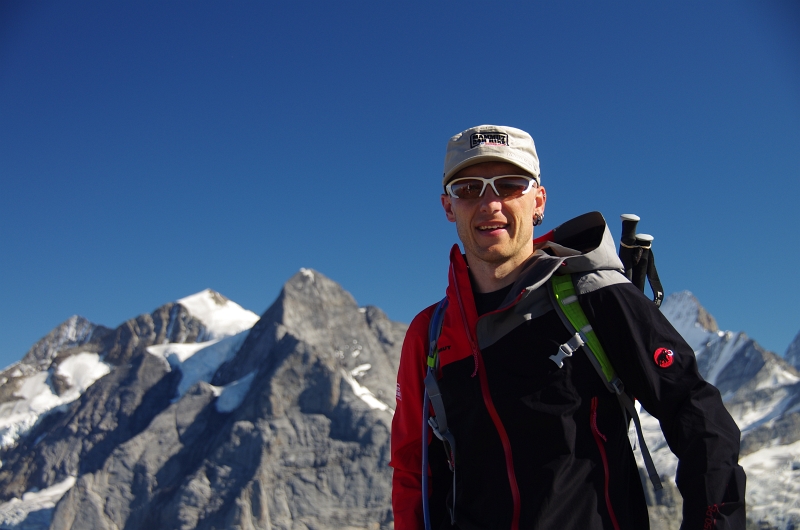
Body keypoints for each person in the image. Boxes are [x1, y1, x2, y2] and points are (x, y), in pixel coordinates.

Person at [389, 125, 746, 529]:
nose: (490, 203)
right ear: (448, 207)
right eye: (469, 189)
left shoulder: (593, 295)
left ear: (538, 201)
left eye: (509, 185)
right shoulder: (430, 335)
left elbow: (696, 411)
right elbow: (414, 473)